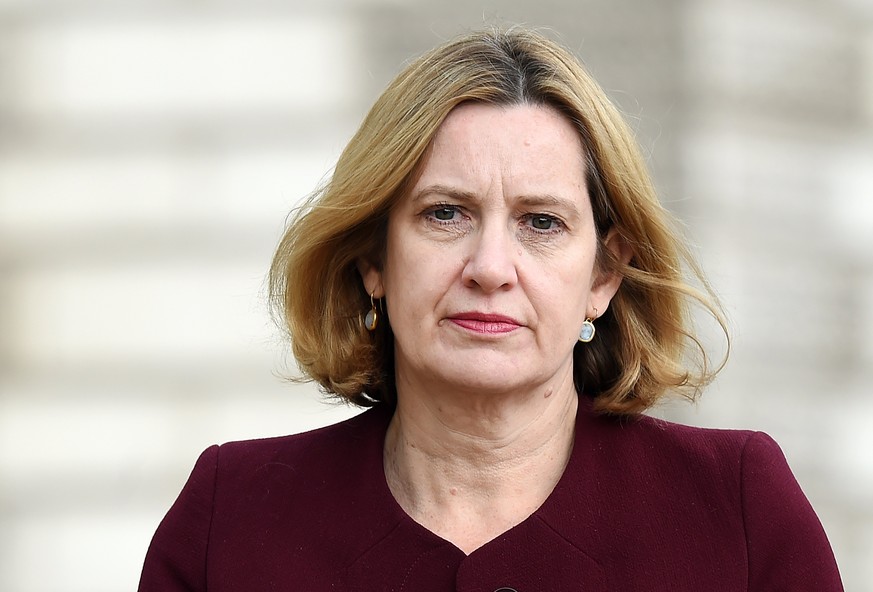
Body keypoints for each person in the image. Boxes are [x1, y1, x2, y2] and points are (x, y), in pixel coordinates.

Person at [138, 27, 843, 591]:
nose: (490, 268)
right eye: (446, 214)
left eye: (541, 222)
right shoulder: (231, 519)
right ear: (372, 261)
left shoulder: (736, 508)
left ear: (604, 274)